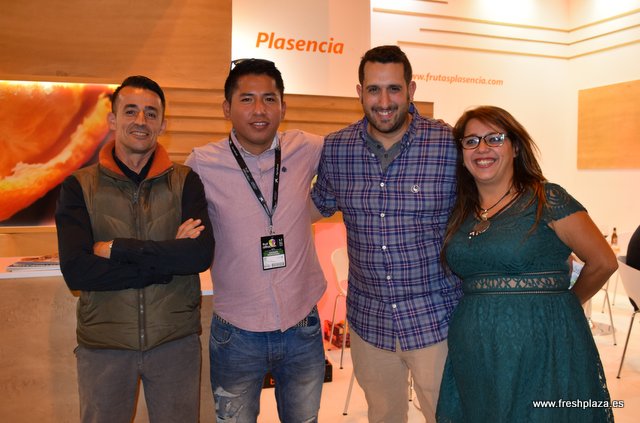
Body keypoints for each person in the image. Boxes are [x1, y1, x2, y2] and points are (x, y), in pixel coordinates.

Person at [435, 105, 617, 422]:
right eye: (471, 141)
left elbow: (603, 261)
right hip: (475, 352)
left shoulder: (547, 199)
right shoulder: (461, 212)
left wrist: (564, 306)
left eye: (494, 138)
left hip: (543, 347)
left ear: (515, 147)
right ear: (462, 154)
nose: (482, 148)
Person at [311, 45, 462, 422]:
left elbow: (490, 201)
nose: (384, 101)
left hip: (436, 318)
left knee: (448, 415)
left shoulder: (448, 144)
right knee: (383, 416)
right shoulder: (337, 149)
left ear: (411, 90)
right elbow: (314, 206)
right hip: (370, 323)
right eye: (373, 89)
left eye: (394, 89)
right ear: (359, 92)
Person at [55, 75, 214, 423]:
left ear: (163, 124)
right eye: (130, 111)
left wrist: (117, 249)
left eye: (151, 113)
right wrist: (165, 262)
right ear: (113, 120)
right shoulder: (79, 186)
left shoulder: (186, 181)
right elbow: (78, 271)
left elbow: (199, 255)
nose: (141, 121)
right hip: (104, 346)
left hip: (175, 342)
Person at [185, 59, 326, 422]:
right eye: (247, 99)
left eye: (269, 99)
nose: (259, 110)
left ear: (283, 107)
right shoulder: (201, 163)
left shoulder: (307, 148)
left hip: (302, 326)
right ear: (226, 108)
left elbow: (358, 149)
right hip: (236, 333)